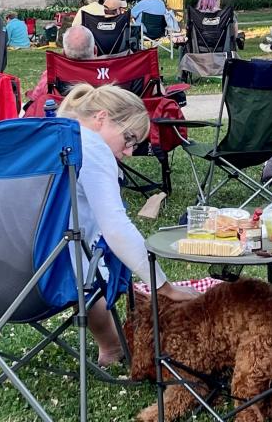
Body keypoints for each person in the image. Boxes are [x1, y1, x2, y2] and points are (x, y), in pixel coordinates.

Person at [57, 84, 198, 363]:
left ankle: (111, 346)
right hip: (52, 278)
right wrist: (164, 287)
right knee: (91, 260)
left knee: (83, 257)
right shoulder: (90, 146)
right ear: (102, 118)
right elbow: (116, 229)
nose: (130, 152)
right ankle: (112, 347)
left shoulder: (40, 136)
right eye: (129, 138)